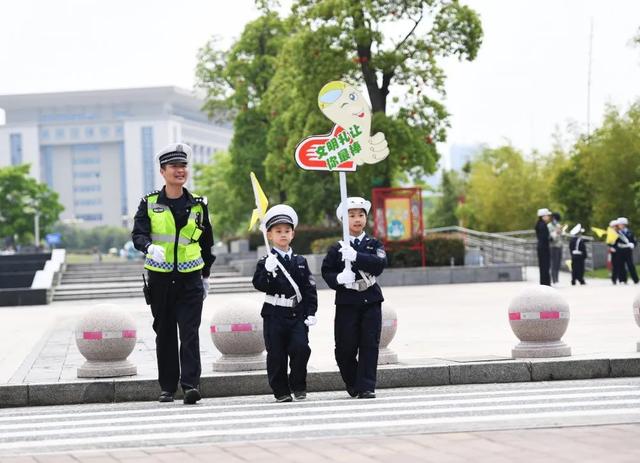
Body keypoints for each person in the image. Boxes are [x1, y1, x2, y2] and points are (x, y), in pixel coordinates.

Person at [131, 143, 214, 404]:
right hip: (161, 279)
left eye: (183, 166)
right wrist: (148, 247)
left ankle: (191, 385)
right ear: (163, 171)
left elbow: (206, 241)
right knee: (165, 332)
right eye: (174, 167)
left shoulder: (198, 205)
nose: (180, 171)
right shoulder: (150, 202)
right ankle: (167, 386)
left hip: (191, 278)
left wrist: (206, 275)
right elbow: (138, 234)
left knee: (189, 332)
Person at [321, 197, 387, 399]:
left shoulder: (373, 243)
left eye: (361, 215)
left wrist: (357, 257)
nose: (357, 219)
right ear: (343, 219)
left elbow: (379, 264)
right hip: (347, 302)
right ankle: (353, 383)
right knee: (344, 347)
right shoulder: (337, 248)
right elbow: (326, 272)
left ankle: (367, 386)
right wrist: (339, 278)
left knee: (369, 345)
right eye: (351, 216)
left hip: (370, 299)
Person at [252, 205, 318, 403]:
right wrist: (267, 271)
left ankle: (298, 385)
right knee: (277, 355)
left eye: (287, 231)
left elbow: (308, 289)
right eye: (278, 231)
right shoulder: (266, 261)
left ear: (293, 234)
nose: (283, 235)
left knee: (301, 349)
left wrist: (311, 312)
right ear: (269, 235)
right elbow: (259, 285)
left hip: (296, 314)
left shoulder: (299, 261)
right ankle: (281, 390)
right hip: (274, 315)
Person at [616, 217, 639, 284]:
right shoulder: (617, 233)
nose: (619, 226)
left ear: (624, 224)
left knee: (630, 265)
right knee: (621, 265)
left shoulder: (630, 232)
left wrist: (633, 245)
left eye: (620, 224)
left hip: (628, 251)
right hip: (620, 251)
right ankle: (622, 280)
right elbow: (614, 242)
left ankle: (636, 280)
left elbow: (634, 242)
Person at [535, 208, 552, 286]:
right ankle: (546, 284)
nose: (548, 217)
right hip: (544, 248)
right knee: (545, 266)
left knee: (543, 266)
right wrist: (553, 236)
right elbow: (545, 237)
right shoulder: (542, 225)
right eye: (547, 215)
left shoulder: (539, 224)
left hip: (542, 247)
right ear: (543, 216)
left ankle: (544, 283)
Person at [548, 212, 563, 284]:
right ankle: (554, 279)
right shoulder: (549, 226)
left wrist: (561, 232)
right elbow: (550, 238)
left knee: (558, 263)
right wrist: (556, 232)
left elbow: (561, 236)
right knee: (553, 263)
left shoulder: (558, 225)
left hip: (559, 246)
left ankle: (557, 278)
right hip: (553, 247)